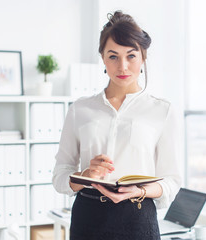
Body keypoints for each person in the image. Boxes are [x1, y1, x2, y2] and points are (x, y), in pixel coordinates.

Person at [52, 10, 181, 240]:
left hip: (138, 219)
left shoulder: (162, 110)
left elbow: (171, 181)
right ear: (102, 57)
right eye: (113, 56)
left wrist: (140, 190)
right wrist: (85, 174)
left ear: (143, 57)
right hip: (87, 220)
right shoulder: (79, 110)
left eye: (131, 56)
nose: (122, 66)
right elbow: (60, 176)